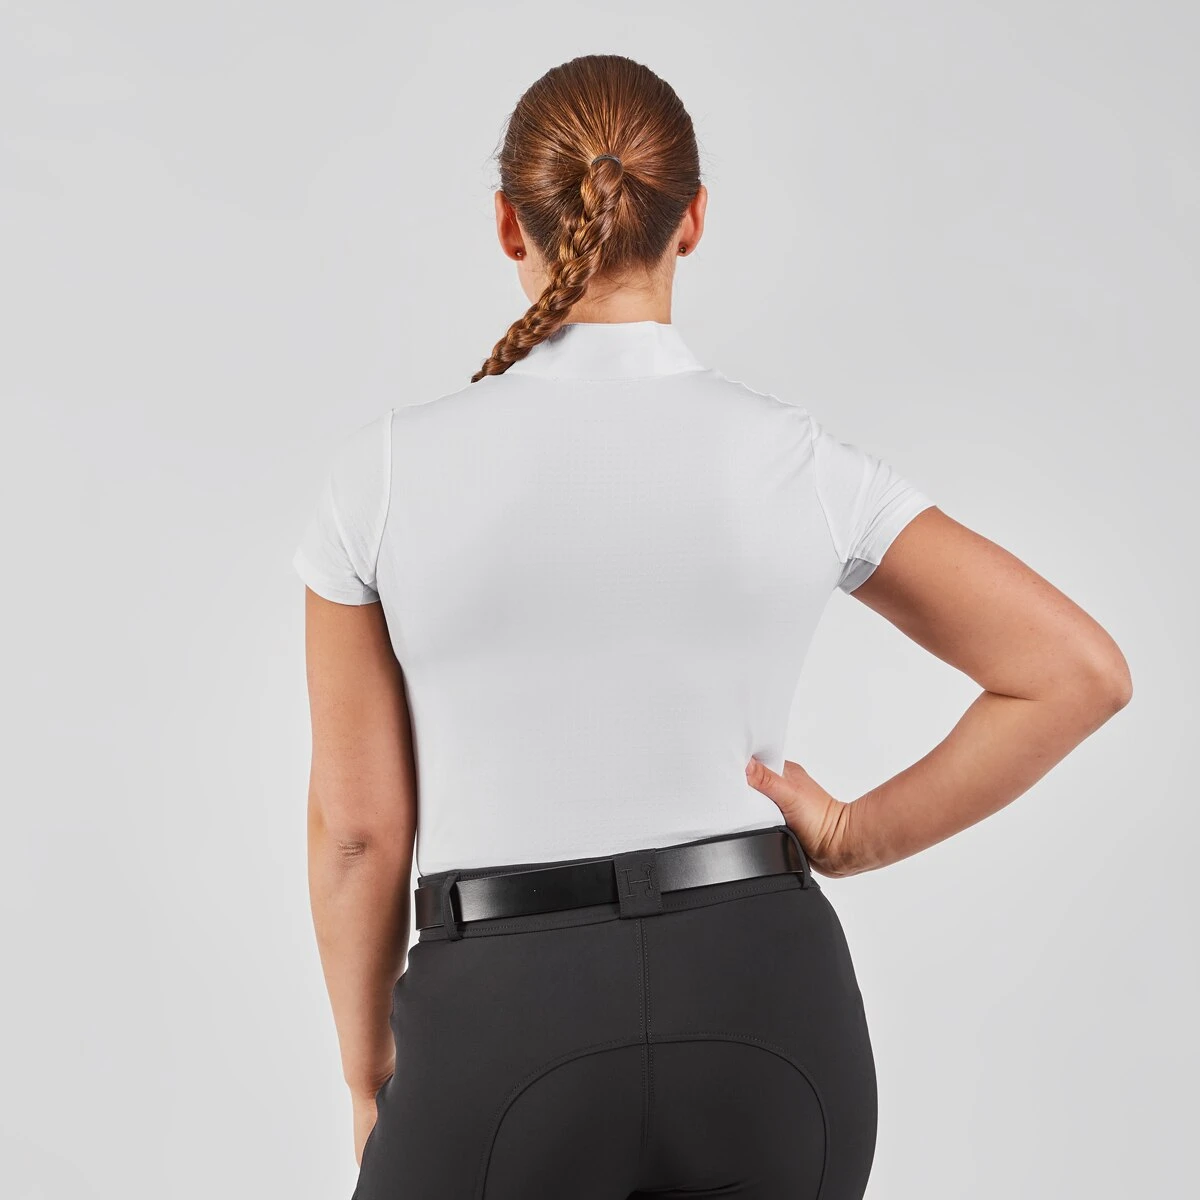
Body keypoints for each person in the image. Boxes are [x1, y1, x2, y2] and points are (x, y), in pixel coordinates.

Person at [292, 53, 1131, 1200]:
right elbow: (1076, 672)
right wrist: (855, 835)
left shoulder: (383, 475)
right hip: (772, 1014)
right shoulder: (798, 459)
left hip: (503, 1024)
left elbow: (357, 834)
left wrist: (367, 1074)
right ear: (691, 220)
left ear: (507, 223)